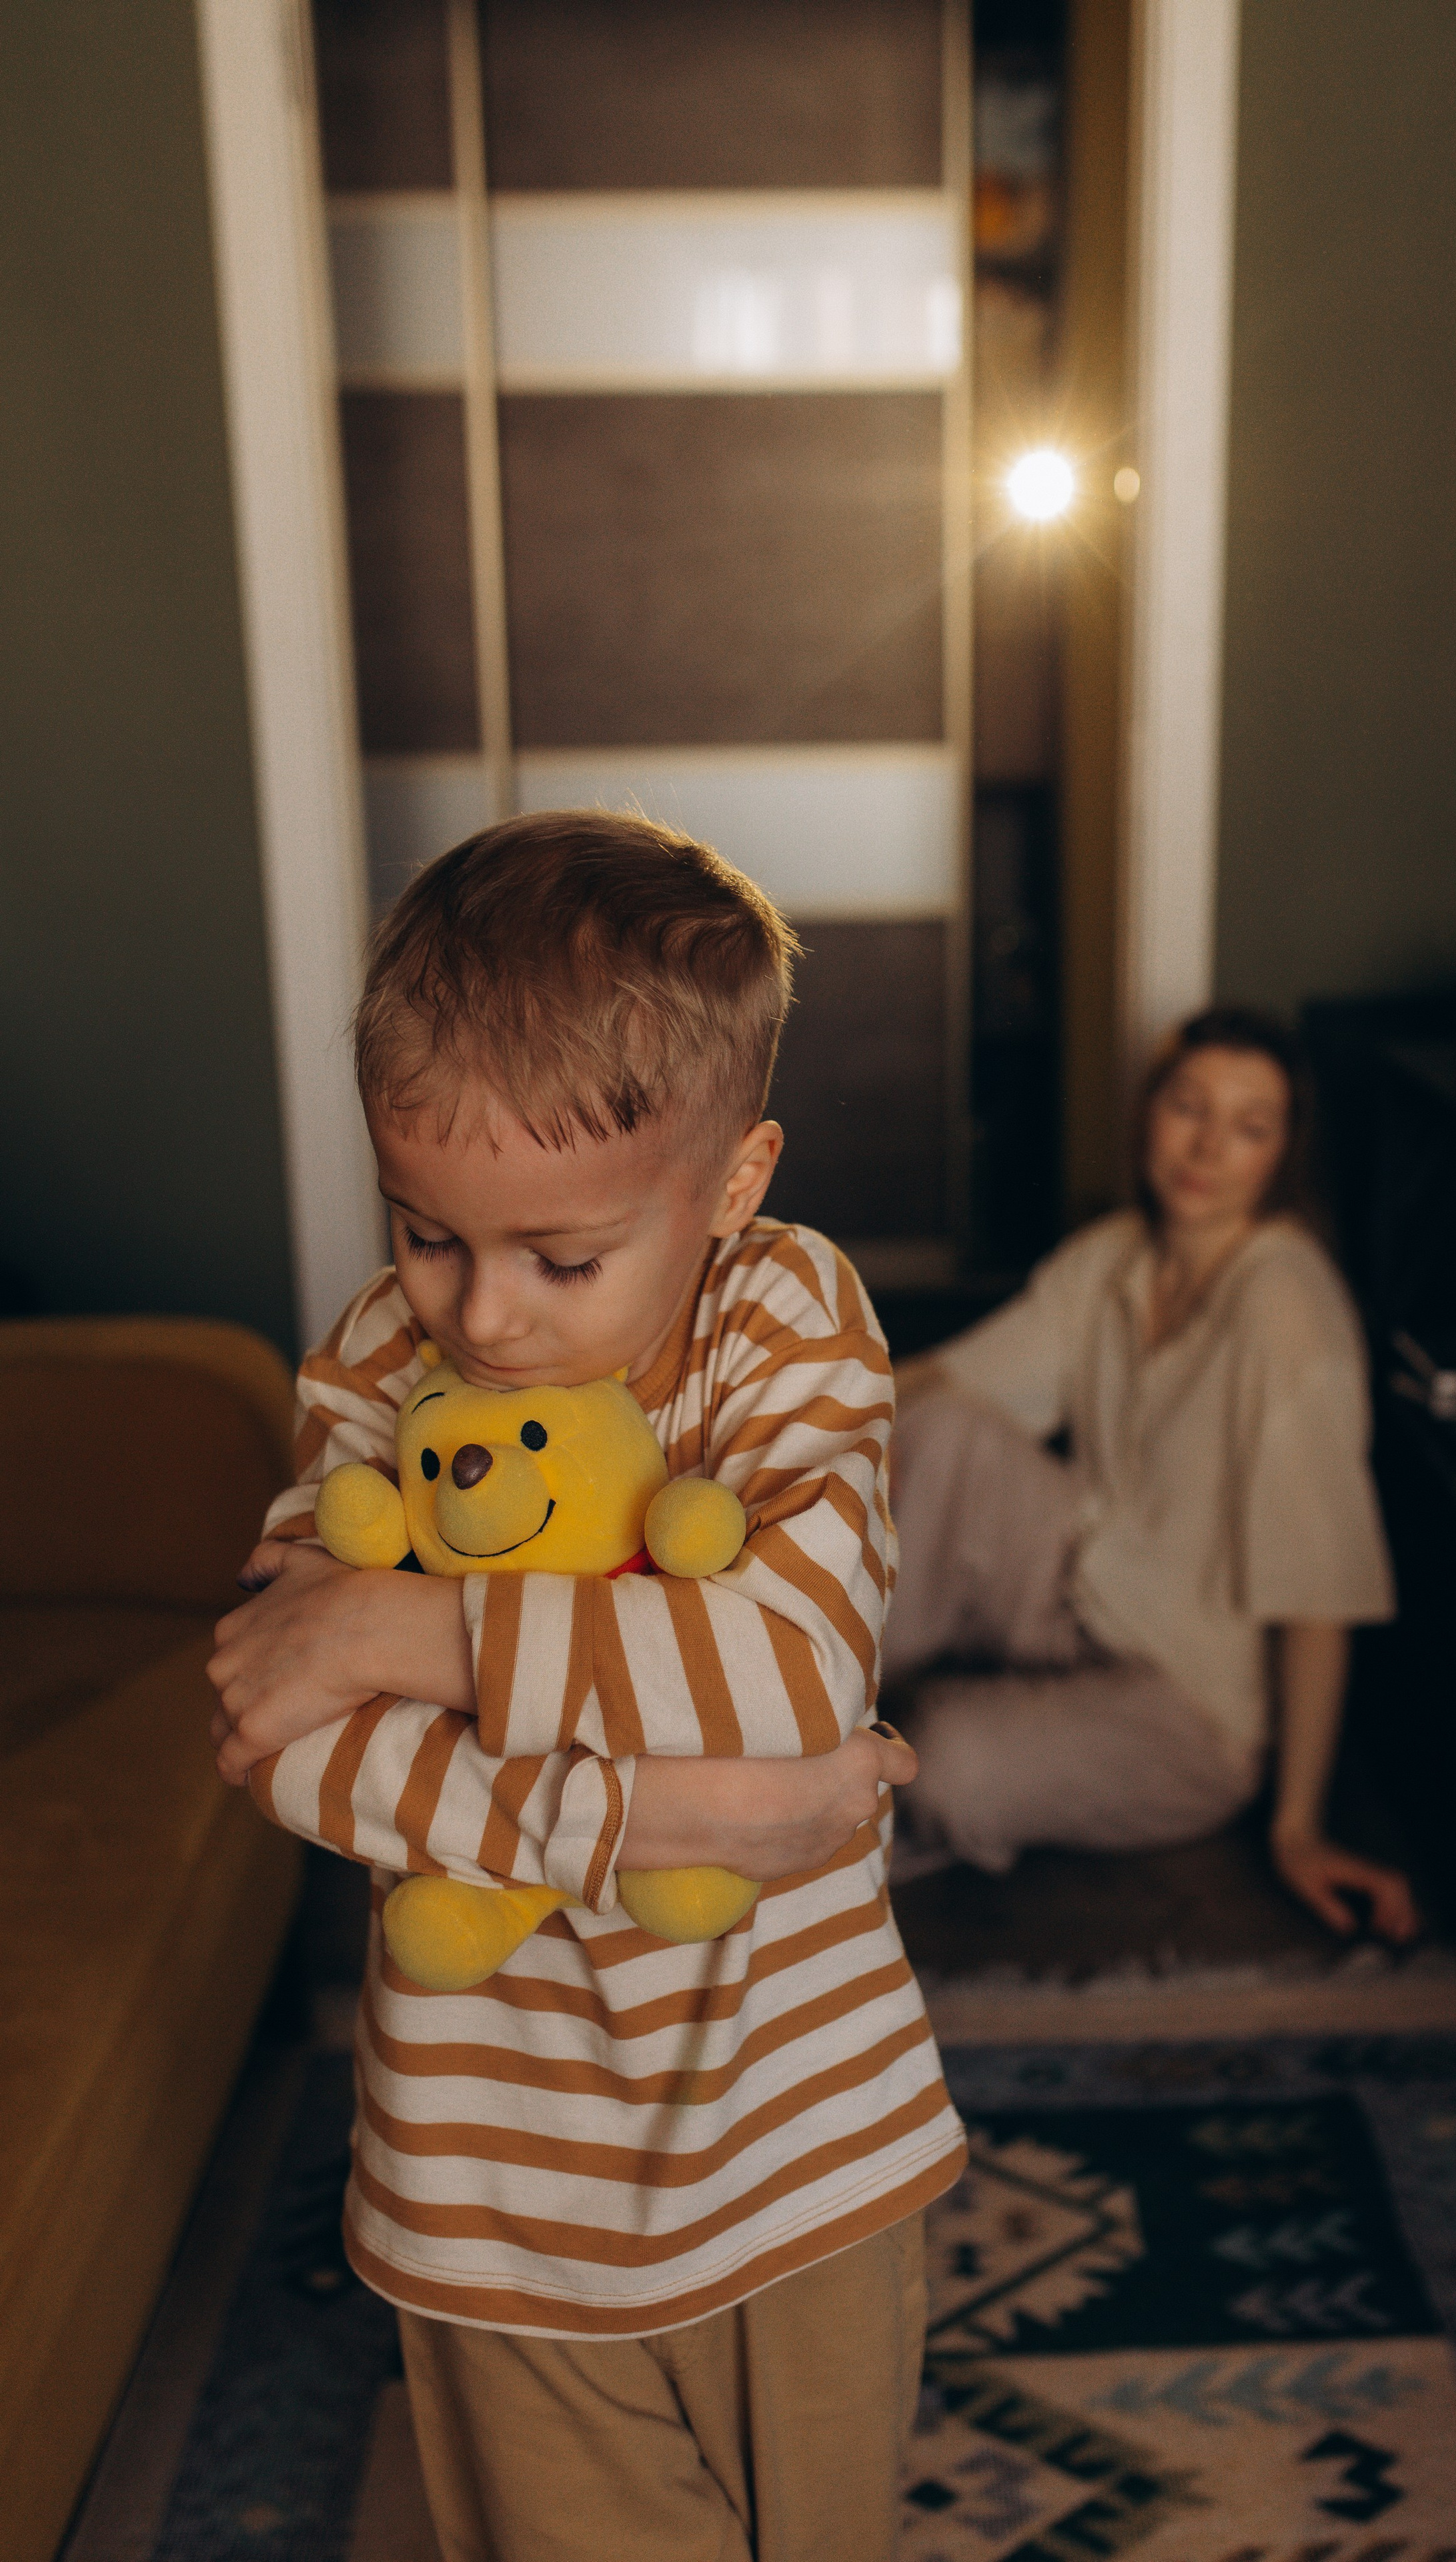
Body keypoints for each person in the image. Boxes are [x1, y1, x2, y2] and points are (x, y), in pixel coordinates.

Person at [205, 812, 965, 2562]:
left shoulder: (786, 1319)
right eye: (426, 1232)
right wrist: (666, 1817)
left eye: (563, 1258)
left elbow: (790, 1668)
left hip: (799, 2143)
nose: (484, 1318)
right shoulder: (370, 1368)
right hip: (492, 2183)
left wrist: (412, 1636)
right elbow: (279, 1727)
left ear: (734, 1181)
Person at [886, 1005, 1419, 1943]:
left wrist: (1299, 1828)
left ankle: (855, 1784)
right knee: (942, 1431)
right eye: (1189, 1107)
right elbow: (949, 1381)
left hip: (1189, 1705)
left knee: (943, 1756)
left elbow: (1321, 1596)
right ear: (1149, 1114)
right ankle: (790, 1708)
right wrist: (776, 1396)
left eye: (1249, 1127)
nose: (1208, 1146)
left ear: (1283, 1156)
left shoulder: (1289, 1310)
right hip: (1080, 1582)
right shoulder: (1119, 1252)